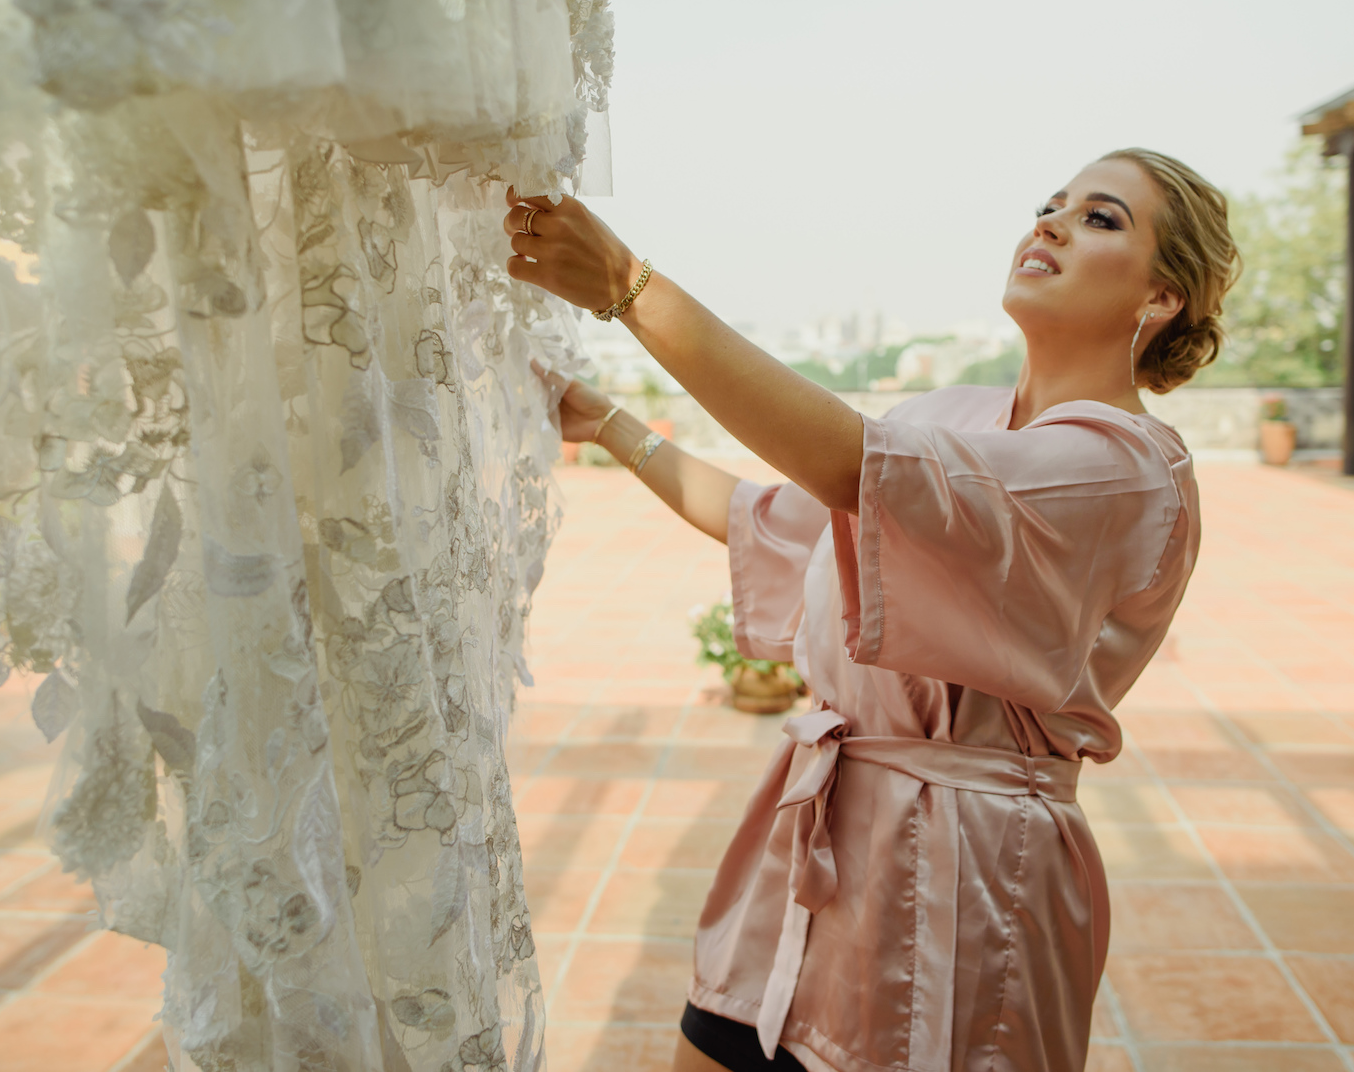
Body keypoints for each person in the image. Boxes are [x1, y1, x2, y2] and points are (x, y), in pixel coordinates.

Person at [502, 149, 1239, 1072]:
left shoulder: (1125, 467)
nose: (1048, 222)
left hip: (967, 883)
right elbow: (765, 517)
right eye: (1048, 204)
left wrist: (627, 285)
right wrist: (606, 420)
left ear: (1160, 297)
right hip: (817, 844)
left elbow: (852, 465)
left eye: (1100, 217)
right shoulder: (953, 416)